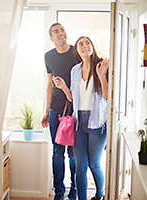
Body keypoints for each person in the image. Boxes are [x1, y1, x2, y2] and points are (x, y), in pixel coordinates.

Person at [52, 36, 109, 200]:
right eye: (81, 44)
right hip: (78, 123)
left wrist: (101, 75)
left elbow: (107, 97)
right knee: (80, 165)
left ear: (92, 46)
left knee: (94, 164)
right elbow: (73, 99)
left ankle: (99, 194)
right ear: (77, 50)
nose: (85, 46)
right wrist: (63, 87)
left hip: (97, 123)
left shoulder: (101, 66)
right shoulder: (75, 70)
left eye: (88, 42)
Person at [41, 23, 78, 200]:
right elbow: (49, 84)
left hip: (74, 109)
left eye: (62, 29)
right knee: (57, 151)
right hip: (55, 108)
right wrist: (46, 111)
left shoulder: (75, 53)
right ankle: (59, 192)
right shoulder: (48, 56)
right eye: (56, 31)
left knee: (73, 152)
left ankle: (75, 189)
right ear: (51, 38)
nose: (60, 33)